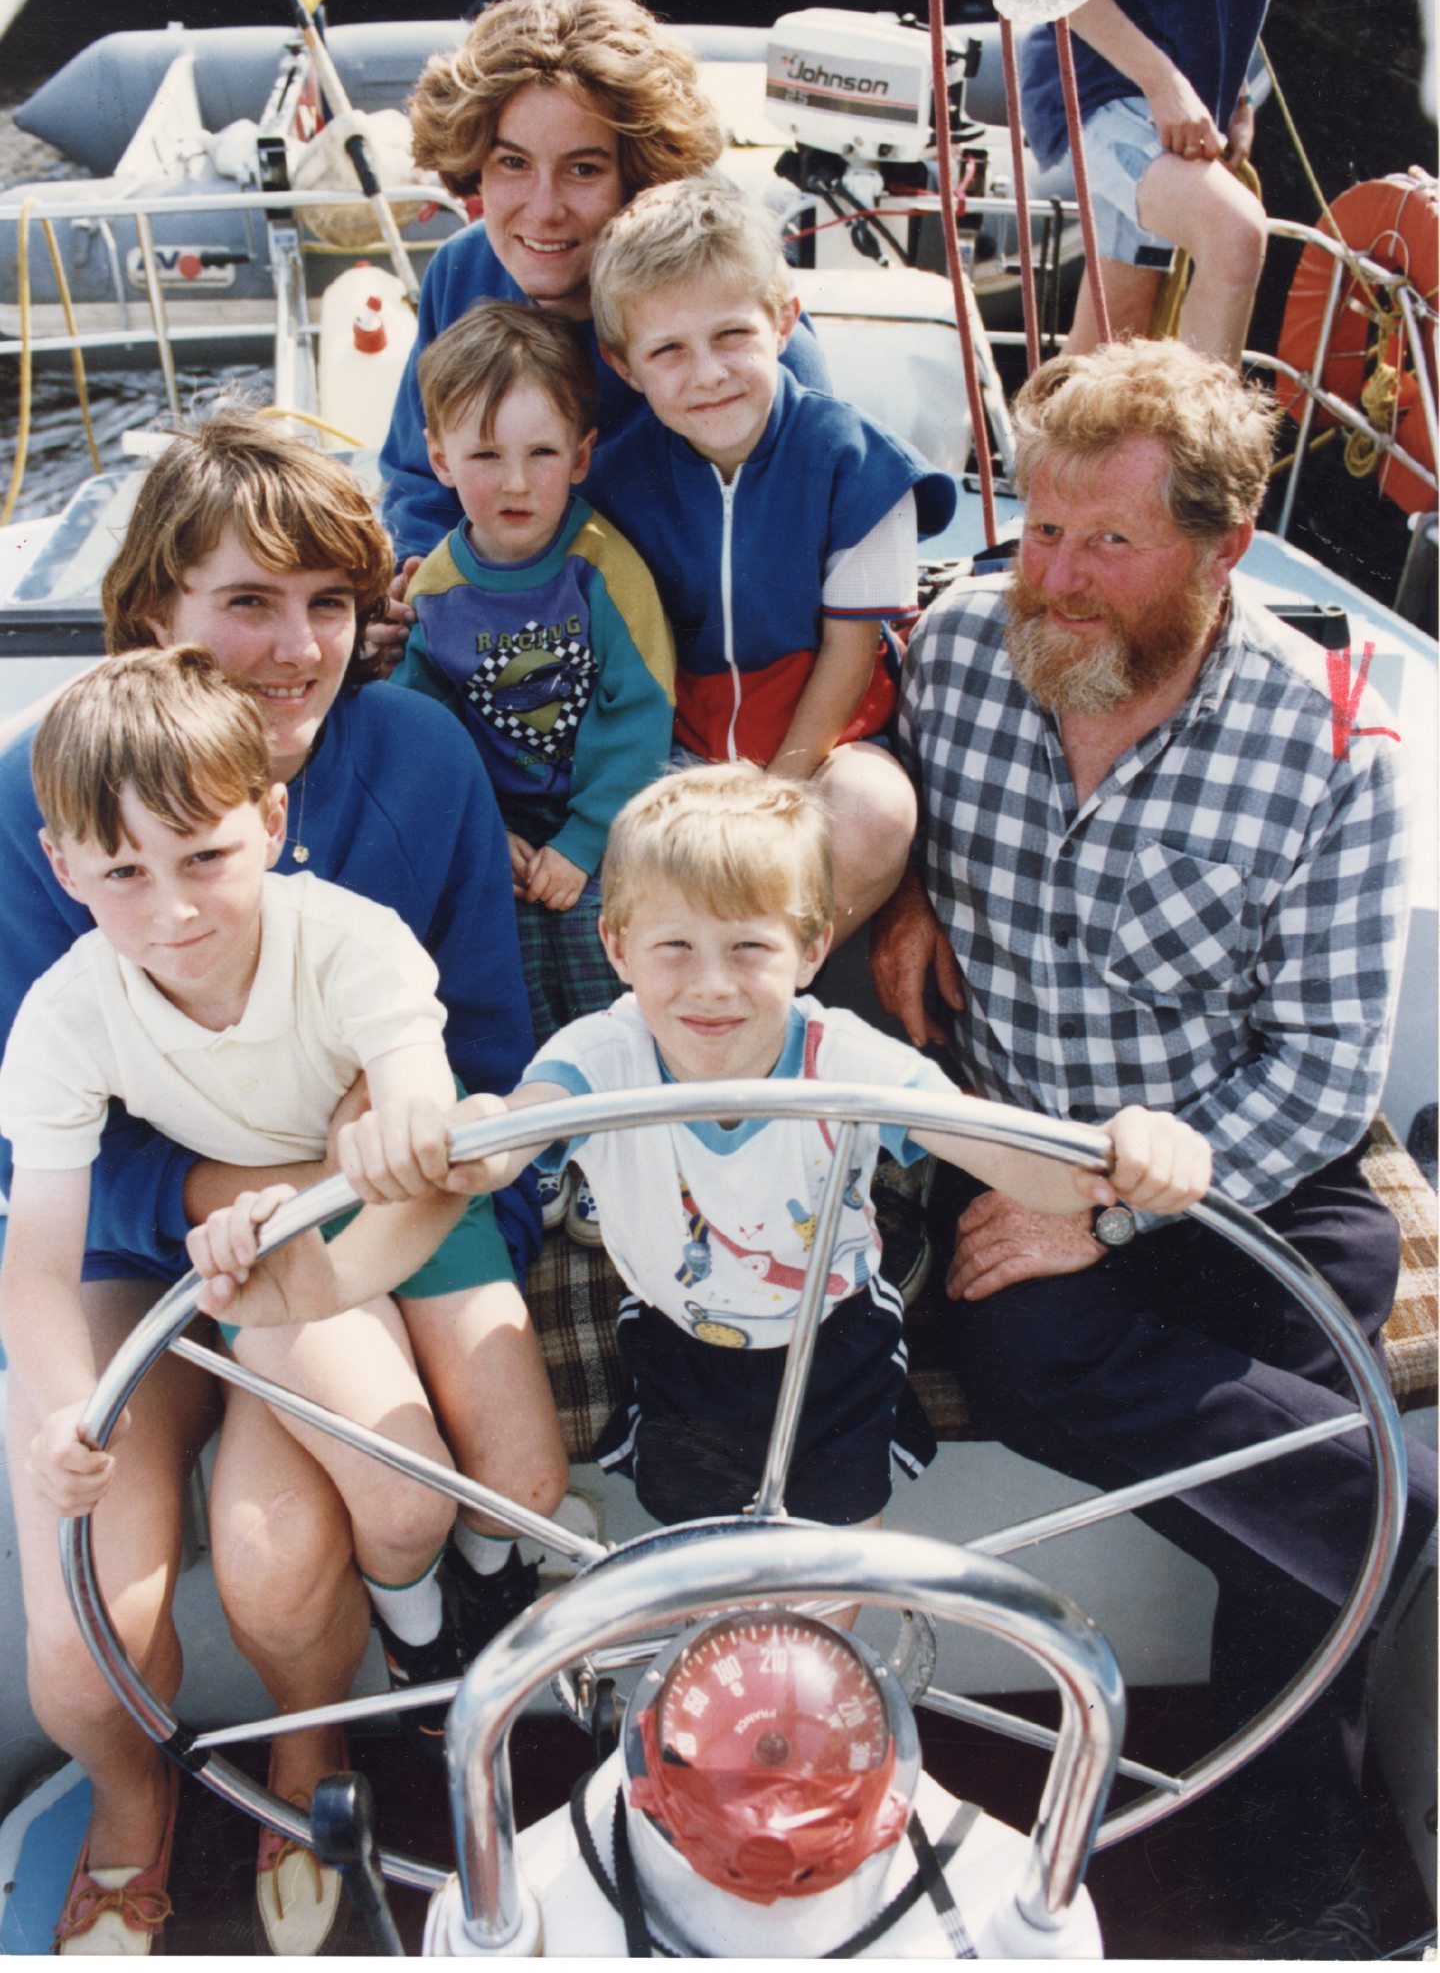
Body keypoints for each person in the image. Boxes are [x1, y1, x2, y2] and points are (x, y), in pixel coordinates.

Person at [869, 334, 1436, 1947]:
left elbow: (1328, 1069)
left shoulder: (1331, 740)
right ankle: (1394, 1526)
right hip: (1010, 1148)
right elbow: (825, 771)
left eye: (1106, 542)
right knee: (1037, 1348)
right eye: (1039, 528)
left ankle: (1294, 1837)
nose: (1054, 577)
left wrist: (1107, 1221)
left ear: (1221, 549)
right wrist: (899, 873)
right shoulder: (958, 647)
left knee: (1317, 1328)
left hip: (1254, 1159)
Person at [0, 417, 566, 1956]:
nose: (296, 647)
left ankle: (311, 1775)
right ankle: (133, 1814)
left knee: (276, 1545)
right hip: (143, 1239)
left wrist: (352, 1216)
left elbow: (481, 1063)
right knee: (88, 1626)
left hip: (351, 1237)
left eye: (329, 604)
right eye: (248, 601)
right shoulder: (43, 797)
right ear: (154, 614)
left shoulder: (422, 760)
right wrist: (229, 1188)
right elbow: (36, 1168)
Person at [190, 764, 1212, 1543]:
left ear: (812, 951)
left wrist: (1121, 1155)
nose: (711, 986)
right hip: (676, 1344)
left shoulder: (850, 1061)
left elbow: (1014, 1163)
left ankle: (812, 1710)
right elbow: (499, 1147)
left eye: (750, 950)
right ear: (619, 949)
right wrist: (425, 1138)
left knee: (832, 1554)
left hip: (837, 1345)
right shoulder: (598, 1055)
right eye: (674, 949)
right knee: (697, 1540)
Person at [586, 175, 958, 942]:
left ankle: (781, 986)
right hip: (678, 738)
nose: (709, 374)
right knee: (610, 834)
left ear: (784, 322)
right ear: (625, 366)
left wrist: (777, 794)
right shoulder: (615, 481)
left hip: (824, 740)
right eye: (668, 351)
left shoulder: (858, 465)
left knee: (874, 812)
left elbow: (852, 651)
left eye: (731, 336)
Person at [378, 0, 830, 581]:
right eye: (513, 162)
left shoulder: (740, 330)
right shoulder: (461, 271)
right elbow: (418, 477)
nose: (543, 209)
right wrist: (421, 584)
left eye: (583, 169)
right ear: (473, 167)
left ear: (641, 175)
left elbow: (811, 549)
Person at [393, 300, 675, 1239]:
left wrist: (586, 840)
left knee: (606, 974)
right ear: (438, 461)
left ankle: (622, 1144)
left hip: (604, 819)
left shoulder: (601, 568)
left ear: (582, 456)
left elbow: (634, 713)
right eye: (483, 457)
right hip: (502, 831)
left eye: (542, 454)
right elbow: (431, 727)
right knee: (506, 977)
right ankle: (540, 1147)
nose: (514, 481)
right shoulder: (436, 591)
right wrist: (490, 835)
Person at [1021, 0, 1283, 366]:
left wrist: (1239, 92)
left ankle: (1045, 441)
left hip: (1177, 109)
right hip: (1095, 85)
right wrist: (1163, 84)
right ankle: (1199, 439)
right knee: (1233, 233)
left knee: (1115, 329)